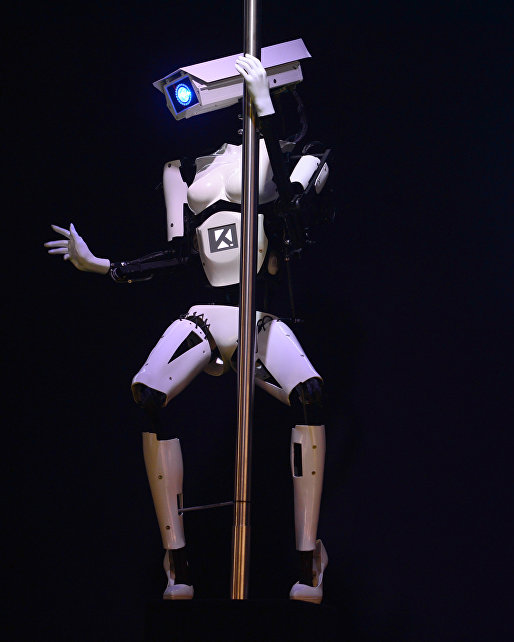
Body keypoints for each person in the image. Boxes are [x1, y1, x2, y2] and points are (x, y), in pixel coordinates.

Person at [44, 52, 334, 603]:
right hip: (206, 314)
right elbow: (179, 253)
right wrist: (104, 266)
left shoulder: (299, 155)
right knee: (148, 393)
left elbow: (294, 218)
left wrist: (267, 111)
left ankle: (308, 557)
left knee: (309, 396)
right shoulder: (183, 169)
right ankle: (175, 558)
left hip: (258, 316)